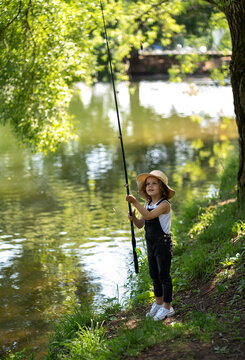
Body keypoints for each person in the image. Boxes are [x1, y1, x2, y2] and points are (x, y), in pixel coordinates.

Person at [126, 170, 175, 321]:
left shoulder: (164, 205)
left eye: (154, 183)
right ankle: (158, 303)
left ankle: (168, 307)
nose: (150, 186)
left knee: (163, 275)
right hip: (151, 243)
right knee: (154, 274)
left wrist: (134, 202)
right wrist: (134, 218)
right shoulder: (147, 204)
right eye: (148, 184)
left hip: (162, 244)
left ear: (162, 188)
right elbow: (142, 223)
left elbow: (149, 216)